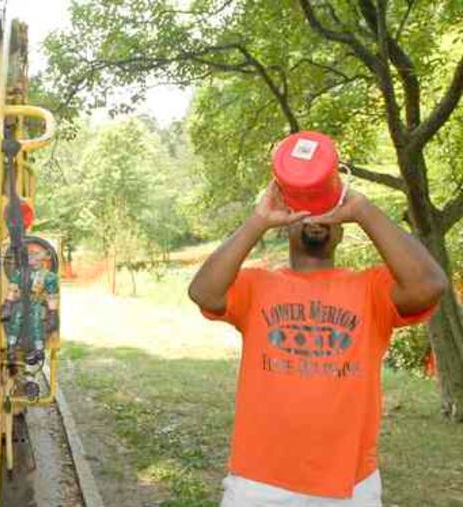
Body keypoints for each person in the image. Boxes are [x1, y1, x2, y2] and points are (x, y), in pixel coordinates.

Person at [188, 181, 447, 506]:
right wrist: (259, 219)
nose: (316, 217)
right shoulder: (256, 285)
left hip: (349, 487)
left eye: (327, 210)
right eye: (304, 210)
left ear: (342, 230)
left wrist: (362, 209)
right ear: (286, 225)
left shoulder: (372, 288)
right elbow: (203, 292)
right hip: (259, 483)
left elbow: (431, 284)